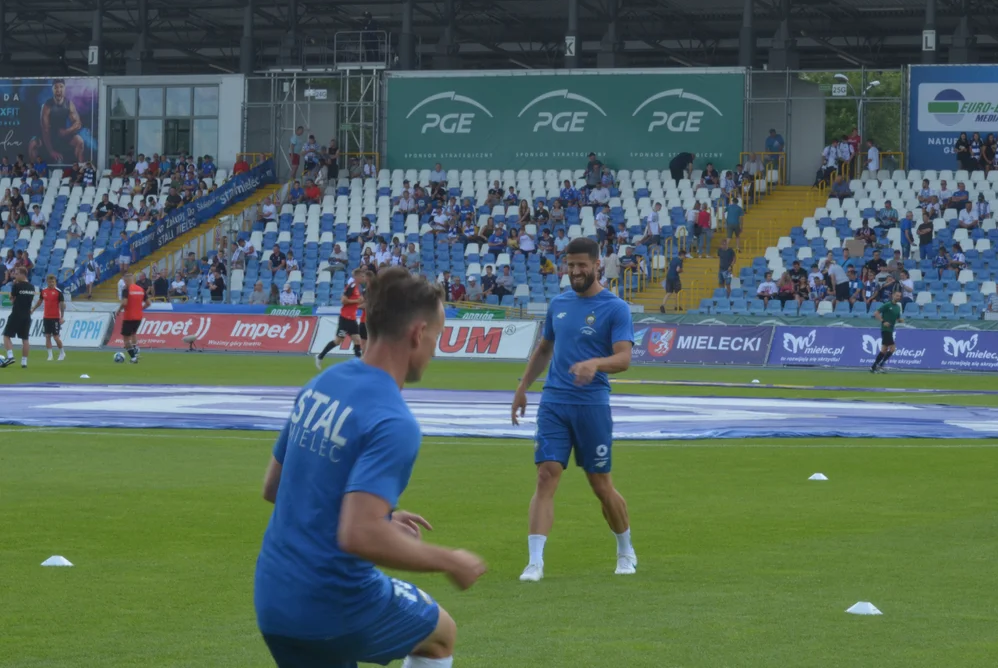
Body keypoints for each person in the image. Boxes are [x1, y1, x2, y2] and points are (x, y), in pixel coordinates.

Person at [254, 267, 486, 668]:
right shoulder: (394, 421)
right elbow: (359, 533)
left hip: (274, 599)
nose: (435, 348)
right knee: (440, 632)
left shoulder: (323, 384)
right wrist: (451, 560)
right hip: (335, 606)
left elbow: (274, 487)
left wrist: (385, 517)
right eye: (436, 336)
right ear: (417, 334)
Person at [510, 237, 636, 582]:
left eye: (582, 265)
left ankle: (625, 549)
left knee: (600, 485)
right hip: (554, 402)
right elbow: (543, 349)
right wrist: (522, 388)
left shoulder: (615, 308)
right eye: (571, 265)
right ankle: (534, 562)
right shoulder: (560, 304)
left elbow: (624, 358)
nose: (576, 271)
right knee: (545, 474)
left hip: (591, 405)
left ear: (597, 265)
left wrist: (595, 363)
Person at [316, 268, 368, 370]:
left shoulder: (357, 288)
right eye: (362, 276)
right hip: (345, 319)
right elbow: (343, 300)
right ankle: (320, 356)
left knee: (357, 340)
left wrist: (359, 302)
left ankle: (360, 365)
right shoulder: (352, 286)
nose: (363, 278)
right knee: (338, 341)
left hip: (352, 319)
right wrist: (357, 300)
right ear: (356, 277)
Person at [28, 79, 86, 165]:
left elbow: (78, 124)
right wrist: (51, 151)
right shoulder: (47, 106)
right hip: (48, 137)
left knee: (80, 141)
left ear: (64, 88)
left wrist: (66, 131)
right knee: (32, 144)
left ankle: (80, 169)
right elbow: (45, 130)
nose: (59, 90)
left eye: (61, 87)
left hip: (62, 135)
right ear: (52, 90)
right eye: (56, 87)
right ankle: (33, 171)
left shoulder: (69, 104)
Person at [0, 268, 35, 369]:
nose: (15, 276)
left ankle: (10, 356)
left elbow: (12, 300)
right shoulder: (32, 287)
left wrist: (12, 294)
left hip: (16, 314)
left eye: (16, 274)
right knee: (25, 339)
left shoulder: (17, 285)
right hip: (27, 315)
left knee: (6, 336)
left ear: (22, 274)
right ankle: (24, 362)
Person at [117, 272, 151, 364]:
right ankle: (135, 349)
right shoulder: (141, 289)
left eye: (124, 280)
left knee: (126, 339)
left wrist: (119, 310)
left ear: (126, 280)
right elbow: (148, 303)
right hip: (138, 317)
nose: (124, 282)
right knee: (133, 333)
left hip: (128, 317)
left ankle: (133, 358)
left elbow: (124, 303)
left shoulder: (126, 289)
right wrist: (140, 309)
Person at [32, 274, 66, 362]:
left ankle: (62, 352)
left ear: (55, 282)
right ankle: (50, 355)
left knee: (55, 337)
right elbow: (40, 302)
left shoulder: (58, 292)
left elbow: (62, 305)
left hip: (55, 317)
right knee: (47, 336)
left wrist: (62, 317)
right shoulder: (44, 291)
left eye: (53, 282)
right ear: (47, 282)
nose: (51, 283)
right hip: (46, 317)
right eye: (50, 282)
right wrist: (33, 309)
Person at [870, 289, 903, 374]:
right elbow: (876, 313)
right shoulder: (887, 305)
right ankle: (880, 365)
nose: (898, 297)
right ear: (893, 296)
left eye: (899, 296)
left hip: (890, 330)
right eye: (897, 295)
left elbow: (897, 318)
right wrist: (883, 321)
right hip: (885, 330)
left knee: (884, 350)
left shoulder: (898, 307)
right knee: (892, 348)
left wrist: (900, 320)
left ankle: (874, 367)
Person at [661, 249, 685, 314]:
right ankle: (677, 306)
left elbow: (669, 268)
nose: (684, 257)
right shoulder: (680, 261)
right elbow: (677, 270)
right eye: (684, 256)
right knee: (677, 292)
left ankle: (663, 305)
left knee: (668, 292)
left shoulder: (673, 259)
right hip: (675, 278)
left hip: (668, 277)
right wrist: (682, 270)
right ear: (682, 255)